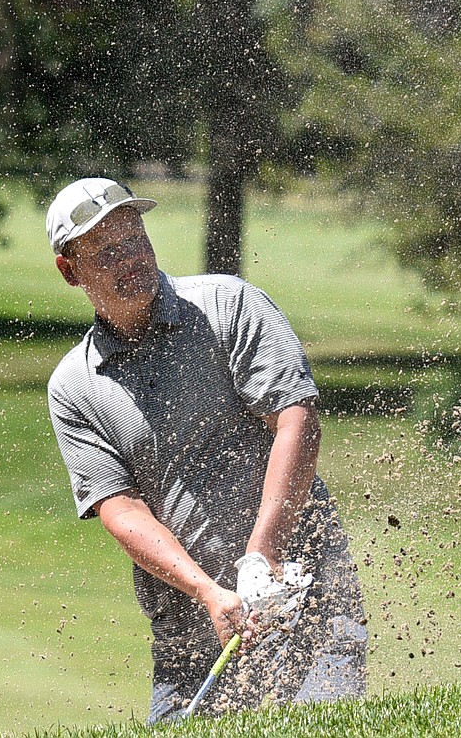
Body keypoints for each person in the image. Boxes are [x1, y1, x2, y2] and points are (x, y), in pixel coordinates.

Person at [44, 177, 366, 722]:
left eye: (135, 241)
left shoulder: (227, 305)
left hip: (303, 593)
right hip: (188, 628)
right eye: (107, 253)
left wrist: (264, 553)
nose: (130, 260)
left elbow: (296, 418)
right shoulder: (74, 385)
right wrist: (209, 592)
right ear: (70, 270)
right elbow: (119, 507)